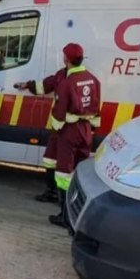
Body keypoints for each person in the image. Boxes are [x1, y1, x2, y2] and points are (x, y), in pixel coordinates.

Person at [47, 43, 101, 228]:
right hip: (86, 130)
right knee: (79, 172)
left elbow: (59, 112)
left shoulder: (67, 83)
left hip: (69, 131)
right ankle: (79, 213)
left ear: (67, 59)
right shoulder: (93, 80)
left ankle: (65, 216)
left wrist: (56, 129)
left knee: (63, 172)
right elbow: (96, 108)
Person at [14, 66, 68, 203]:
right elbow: (45, 85)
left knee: (65, 166)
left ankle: (64, 200)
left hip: (69, 130)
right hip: (58, 129)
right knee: (50, 159)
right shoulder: (62, 74)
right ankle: (52, 192)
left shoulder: (75, 79)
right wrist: (28, 85)